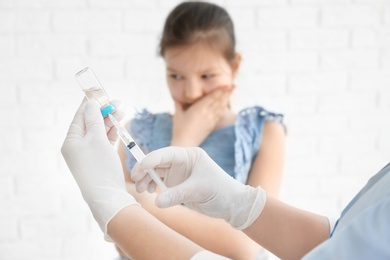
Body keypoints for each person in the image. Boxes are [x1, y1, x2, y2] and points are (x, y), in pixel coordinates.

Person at [62, 99, 390, 259]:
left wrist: (115, 206)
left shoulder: (265, 130)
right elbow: (339, 239)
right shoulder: (143, 126)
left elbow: (244, 249)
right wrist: (241, 202)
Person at [118, 2, 286, 258]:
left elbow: (245, 247)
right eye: (176, 76)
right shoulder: (136, 132)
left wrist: (141, 202)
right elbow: (125, 242)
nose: (192, 92)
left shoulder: (264, 132)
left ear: (235, 66)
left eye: (207, 76)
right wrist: (183, 141)